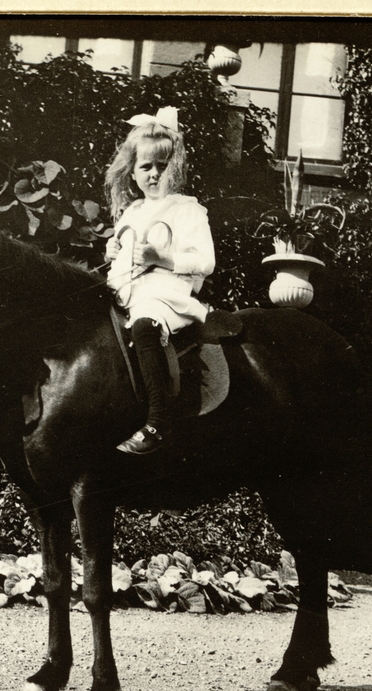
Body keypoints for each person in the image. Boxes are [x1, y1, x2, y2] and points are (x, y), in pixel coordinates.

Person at [104, 106, 215, 455]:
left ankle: (157, 420)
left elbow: (205, 262)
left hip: (165, 294)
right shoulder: (133, 212)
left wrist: (160, 258)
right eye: (146, 167)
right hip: (127, 291)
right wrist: (114, 254)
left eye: (162, 167)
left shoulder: (187, 209)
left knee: (144, 325)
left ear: (174, 169)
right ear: (133, 173)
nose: (154, 175)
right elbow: (126, 262)